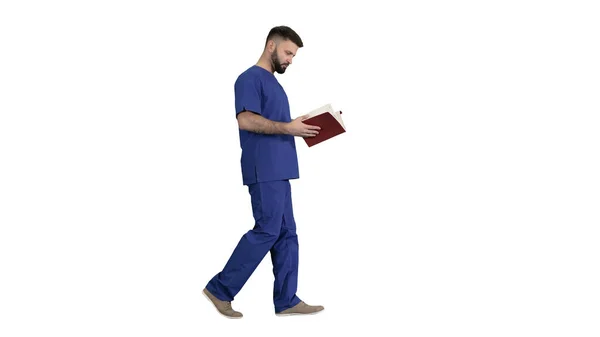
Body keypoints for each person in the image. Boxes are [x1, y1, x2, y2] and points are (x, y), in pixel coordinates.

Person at [202, 26, 325, 318]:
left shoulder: (274, 85)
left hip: (281, 170)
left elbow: (277, 125)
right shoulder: (249, 79)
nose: (290, 60)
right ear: (271, 45)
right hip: (264, 168)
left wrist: (300, 125)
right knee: (268, 230)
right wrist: (288, 127)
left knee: (287, 234)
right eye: (287, 53)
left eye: (294, 56)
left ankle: (287, 300)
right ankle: (219, 289)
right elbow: (246, 120)